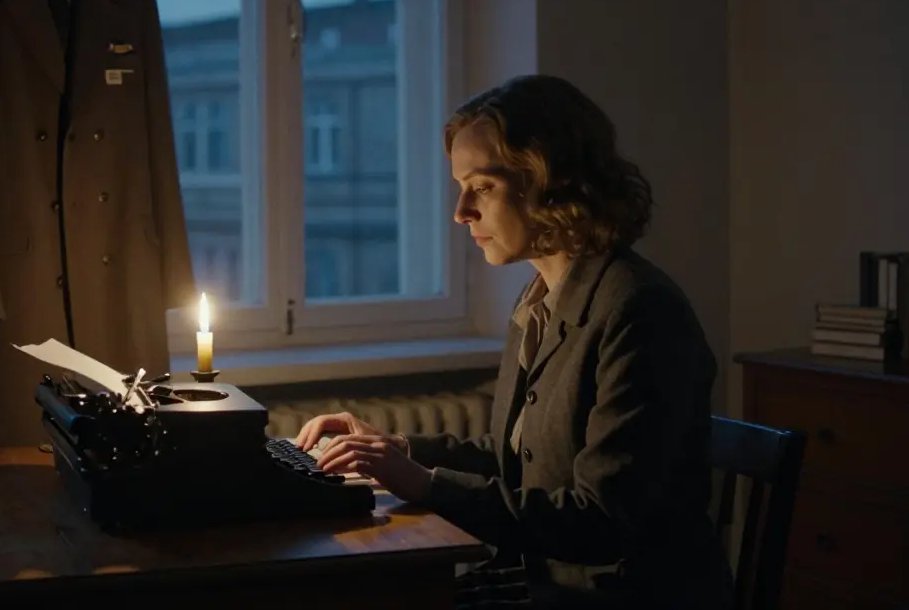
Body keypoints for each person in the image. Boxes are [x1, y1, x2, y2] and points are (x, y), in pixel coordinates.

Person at [296, 75, 733, 609]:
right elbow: (522, 456)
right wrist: (395, 452)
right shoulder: (540, 300)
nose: (461, 211)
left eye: (482, 186)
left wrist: (425, 484)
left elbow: (601, 520)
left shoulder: (640, 311)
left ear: (551, 182)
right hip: (548, 582)